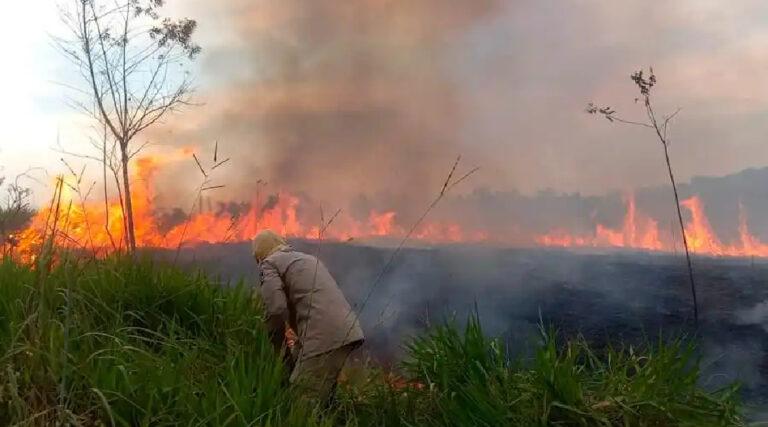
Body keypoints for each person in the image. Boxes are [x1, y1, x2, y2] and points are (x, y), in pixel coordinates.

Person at [252, 229, 365, 406]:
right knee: (322, 401)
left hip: (323, 337)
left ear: (258, 255)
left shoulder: (269, 263)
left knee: (301, 403)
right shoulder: (307, 259)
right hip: (347, 330)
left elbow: (276, 310)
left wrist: (277, 346)